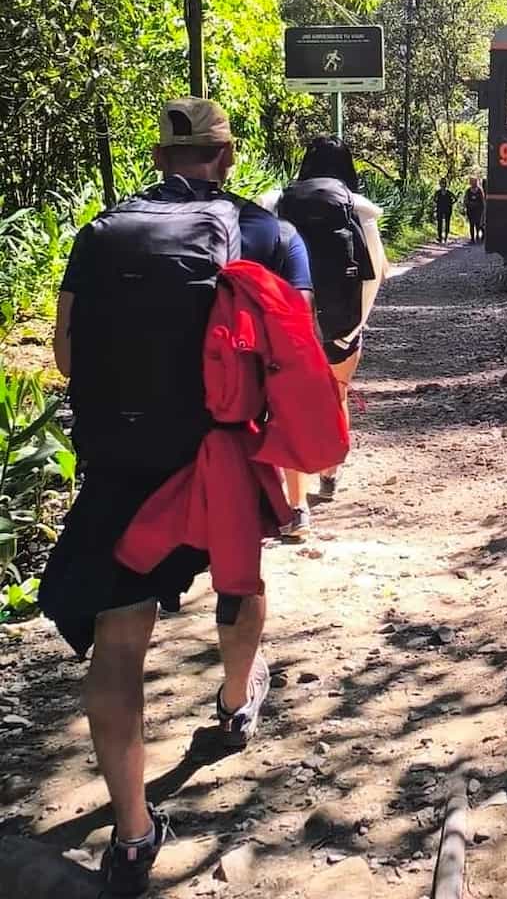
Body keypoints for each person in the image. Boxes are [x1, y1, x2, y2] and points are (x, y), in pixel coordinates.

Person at [40, 98, 315, 898]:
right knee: (238, 580)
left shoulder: (102, 233)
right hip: (221, 458)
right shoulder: (270, 234)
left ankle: (132, 836)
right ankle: (234, 704)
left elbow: (65, 356)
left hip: (125, 463)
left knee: (120, 639)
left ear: (160, 157)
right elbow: (294, 354)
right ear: (228, 156)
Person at [278, 136, 387, 508]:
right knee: (336, 394)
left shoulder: (276, 202)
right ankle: (328, 475)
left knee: (290, 405)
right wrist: (354, 328)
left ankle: (296, 502)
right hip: (341, 326)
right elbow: (374, 275)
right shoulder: (359, 208)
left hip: (289, 326)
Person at [463, 176, 486, 243]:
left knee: (478, 224)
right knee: (471, 224)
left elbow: (482, 201)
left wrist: (482, 209)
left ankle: (478, 236)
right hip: (470, 210)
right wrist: (467, 205)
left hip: (478, 210)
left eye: (474, 181)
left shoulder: (479, 191)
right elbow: (465, 200)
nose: (473, 183)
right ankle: (472, 238)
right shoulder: (468, 191)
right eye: (472, 181)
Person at [433, 178, 454, 243]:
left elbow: (455, 198)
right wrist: (438, 203)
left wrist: (450, 203)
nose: (443, 185)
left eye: (444, 183)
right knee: (439, 223)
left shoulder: (448, 192)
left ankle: (446, 237)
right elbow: (434, 199)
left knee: (447, 223)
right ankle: (440, 237)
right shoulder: (438, 192)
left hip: (447, 209)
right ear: (440, 184)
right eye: (442, 183)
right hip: (440, 209)